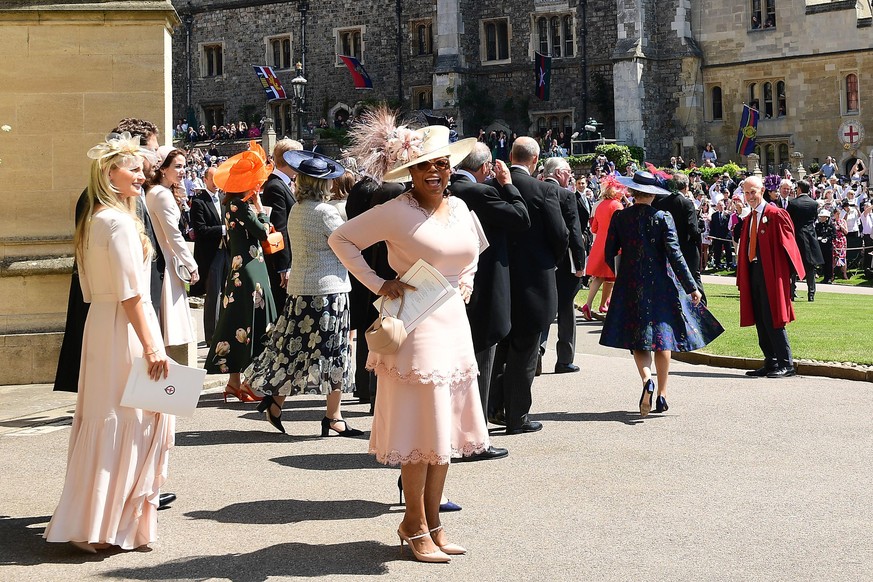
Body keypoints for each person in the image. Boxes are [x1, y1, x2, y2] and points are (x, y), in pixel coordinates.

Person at [329, 122, 486, 563]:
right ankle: (413, 523)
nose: (435, 172)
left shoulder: (458, 206)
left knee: (446, 430)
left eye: (441, 164)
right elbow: (341, 239)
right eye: (424, 166)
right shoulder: (395, 210)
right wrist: (379, 283)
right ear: (409, 171)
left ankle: (433, 523)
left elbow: (474, 249)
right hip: (415, 329)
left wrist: (467, 280)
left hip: (454, 323)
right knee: (423, 430)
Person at [44, 133, 172, 552]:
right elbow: (132, 295)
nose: (142, 175)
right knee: (128, 420)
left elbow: (93, 291)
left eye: (142, 168)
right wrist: (153, 347)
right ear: (108, 173)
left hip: (103, 324)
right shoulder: (115, 222)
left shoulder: (96, 219)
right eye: (133, 169)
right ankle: (99, 526)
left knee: (112, 419)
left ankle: (98, 522)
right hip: (123, 328)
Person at [246, 150, 362, 437]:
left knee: (294, 348)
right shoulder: (325, 212)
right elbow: (348, 242)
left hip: (302, 288)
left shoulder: (299, 209)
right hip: (329, 290)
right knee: (334, 351)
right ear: (323, 184)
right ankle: (333, 416)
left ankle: (276, 398)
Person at [599, 172, 723, 415]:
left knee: (639, 339)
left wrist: (622, 268)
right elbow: (675, 255)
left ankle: (647, 380)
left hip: (631, 284)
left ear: (633, 192)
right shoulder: (663, 217)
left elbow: (609, 251)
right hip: (662, 284)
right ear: (653, 194)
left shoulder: (620, 217)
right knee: (662, 338)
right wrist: (691, 287)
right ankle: (663, 394)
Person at [450, 142, 528, 460]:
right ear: (485, 168)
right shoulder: (481, 193)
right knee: (480, 361)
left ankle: (457, 431)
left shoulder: (448, 188)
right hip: (483, 286)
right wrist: (507, 184)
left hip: (452, 286)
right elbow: (521, 218)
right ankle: (476, 439)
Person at [489, 137, 569, 433]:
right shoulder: (545, 190)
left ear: (510, 155)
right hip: (535, 281)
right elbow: (560, 236)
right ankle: (517, 417)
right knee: (525, 351)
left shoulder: (491, 188)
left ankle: (494, 406)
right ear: (535, 160)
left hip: (499, 278)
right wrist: (548, 262)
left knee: (500, 347)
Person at [204, 150, 278, 400]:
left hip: (241, 267)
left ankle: (234, 382)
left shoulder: (229, 201)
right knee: (254, 320)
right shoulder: (242, 204)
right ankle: (246, 381)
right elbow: (263, 231)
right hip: (250, 268)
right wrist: (261, 208)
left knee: (236, 319)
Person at [736, 176, 805, 378]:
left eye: (753, 192)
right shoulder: (749, 219)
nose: (750, 196)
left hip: (772, 272)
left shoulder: (776, 214)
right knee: (759, 316)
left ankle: (786, 363)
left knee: (773, 317)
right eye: (747, 192)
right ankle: (771, 361)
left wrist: (787, 276)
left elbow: (789, 245)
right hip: (754, 271)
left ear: (762, 190)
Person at [145, 148, 199, 350]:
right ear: (163, 168)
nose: (183, 171)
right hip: (167, 262)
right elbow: (173, 235)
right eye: (177, 166)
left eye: (184, 166)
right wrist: (191, 264)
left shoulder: (157, 192)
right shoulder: (161, 194)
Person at [540, 157, 586, 373]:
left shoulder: (534, 189)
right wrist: (580, 263)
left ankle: (537, 353)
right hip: (564, 262)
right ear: (558, 173)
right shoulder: (566, 195)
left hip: (539, 260)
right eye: (568, 172)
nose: (571, 176)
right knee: (566, 308)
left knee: (541, 308)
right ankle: (564, 359)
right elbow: (575, 233)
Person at [261, 138, 303, 314]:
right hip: (282, 262)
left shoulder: (283, 184)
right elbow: (279, 229)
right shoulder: (275, 186)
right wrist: (284, 266)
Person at [654, 172, 704, 303]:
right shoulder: (686, 203)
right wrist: (701, 228)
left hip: (667, 247)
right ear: (686, 186)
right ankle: (701, 310)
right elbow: (693, 230)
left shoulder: (661, 202)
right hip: (687, 248)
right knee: (694, 277)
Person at [579, 175, 624, 320]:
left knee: (598, 277)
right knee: (615, 275)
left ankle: (589, 304)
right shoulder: (617, 205)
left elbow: (594, 228)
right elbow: (621, 227)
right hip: (614, 243)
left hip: (600, 243)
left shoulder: (600, 205)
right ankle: (610, 305)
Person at [189, 166, 227, 340]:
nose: (216, 183)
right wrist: (223, 229)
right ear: (205, 180)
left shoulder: (224, 198)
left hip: (227, 252)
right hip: (211, 255)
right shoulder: (199, 202)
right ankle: (211, 336)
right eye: (213, 179)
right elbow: (201, 230)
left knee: (227, 293)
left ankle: (224, 330)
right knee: (213, 295)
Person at [786, 180, 825, 301]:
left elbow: (788, 220)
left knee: (792, 266)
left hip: (796, 236)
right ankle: (811, 294)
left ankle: (791, 293)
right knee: (811, 267)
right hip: (810, 236)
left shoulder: (793, 203)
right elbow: (813, 219)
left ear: (799, 189)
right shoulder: (814, 204)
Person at [815, 210, 836, 283]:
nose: (822, 218)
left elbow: (834, 235)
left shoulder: (831, 226)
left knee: (829, 262)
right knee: (823, 262)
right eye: (821, 217)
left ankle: (829, 277)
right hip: (820, 246)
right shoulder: (818, 226)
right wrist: (818, 238)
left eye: (823, 217)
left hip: (828, 246)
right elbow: (815, 234)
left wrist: (827, 238)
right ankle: (825, 277)